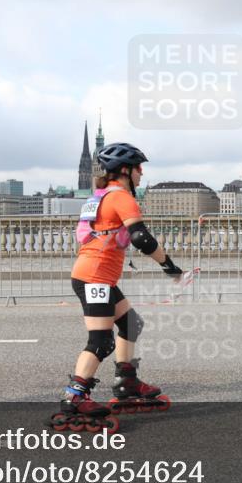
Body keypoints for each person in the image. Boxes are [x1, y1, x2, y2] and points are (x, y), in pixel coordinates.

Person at [52, 142, 185, 431]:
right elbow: (142, 238)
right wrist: (169, 266)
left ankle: (127, 381)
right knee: (101, 341)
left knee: (131, 324)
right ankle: (74, 397)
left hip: (94, 275)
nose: (141, 174)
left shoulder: (99, 197)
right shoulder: (122, 197)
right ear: (125, 170)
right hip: (95, 277)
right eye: (139, 168)